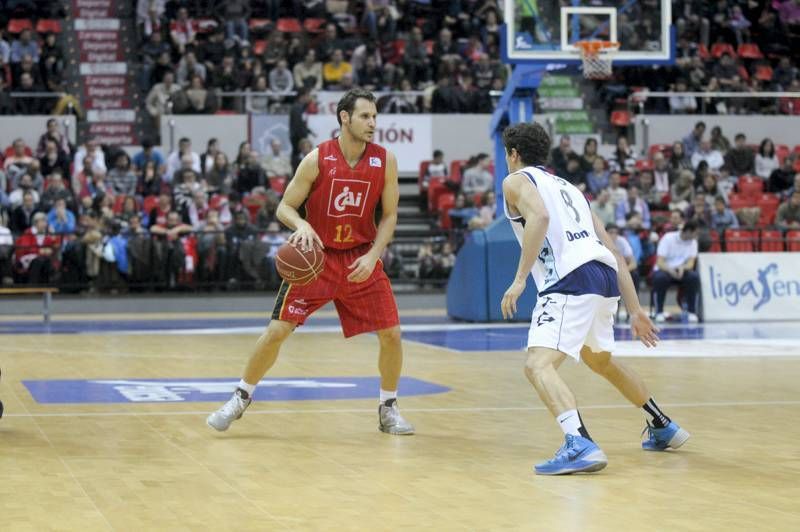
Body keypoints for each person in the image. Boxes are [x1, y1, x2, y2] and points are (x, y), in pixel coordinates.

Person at [207, 89, 414, 436]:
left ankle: (388, 408)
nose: (372, 123)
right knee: (276, 331)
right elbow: (284, 207)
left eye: (375, 117)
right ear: (344, 118)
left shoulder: (385, 160)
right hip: (317, 258)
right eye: (365, 116)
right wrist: (302, 224)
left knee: (392, 334)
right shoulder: (318, 158)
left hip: (359, 258)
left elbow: (390, 216)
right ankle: (240, 397)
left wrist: (373, 255)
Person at [499, 122, 688, 476]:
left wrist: (520, 278)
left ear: (513, 154)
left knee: (537, 365)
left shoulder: (515, 181)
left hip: (569, 279)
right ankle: (662, 425)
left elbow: (538, 216)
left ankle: (579, 442)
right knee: (599, 361)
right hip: (603, 277)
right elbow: (613, 249)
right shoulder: (571, 189)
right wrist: (635, 310)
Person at [652, 221, 701, 323]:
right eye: (695, 233)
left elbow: (691, 263)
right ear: (688, 231)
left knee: (694, 277)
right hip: (665, 269)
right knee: (659, 279)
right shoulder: (668, 238)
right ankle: (659, 312)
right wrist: (670, 270)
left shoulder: (693, 242)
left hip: (681, 270)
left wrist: (683, 268)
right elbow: (660, 262)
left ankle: (692, 312)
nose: (697, 236)